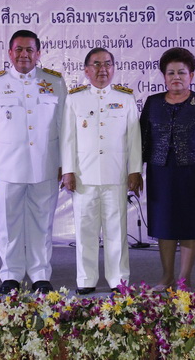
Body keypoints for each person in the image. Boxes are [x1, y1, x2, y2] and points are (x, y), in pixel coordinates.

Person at [0, 29, 67, 294]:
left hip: (45, 165)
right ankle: (11, 274)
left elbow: (64, 126)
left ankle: (40, 274)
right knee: (9, 224)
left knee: (42, 223)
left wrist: (65, 163)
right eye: (18, 49)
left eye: (29, 49)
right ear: (10, 52)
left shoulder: (54, 81)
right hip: (7, 167)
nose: (24, 54)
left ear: (38, 53)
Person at [60, 48, 143, 295]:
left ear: (114, 68)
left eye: (107, 64)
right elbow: (68, 138)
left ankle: (119, 279)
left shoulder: (125, 98)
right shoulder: (75, 99)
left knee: (116, 230)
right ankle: (86, 279)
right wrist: (68, 171)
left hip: (115, 176)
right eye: (96, 64)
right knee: (85, 230)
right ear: (86, 70)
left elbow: (134, 139)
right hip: (84, 177)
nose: (102, 69)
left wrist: (135, 170)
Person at [141, 47, 195, 289]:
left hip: (193, 173)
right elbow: (141, 140)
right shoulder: (153, 103)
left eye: (182, 72)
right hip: (160, 172)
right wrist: (134, 171)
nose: (176, 77)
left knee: (189, 225)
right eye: (171, 73)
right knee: (164, 225)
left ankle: (184, 279)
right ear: (164, 76)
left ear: (191, 75)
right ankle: (167, 277)